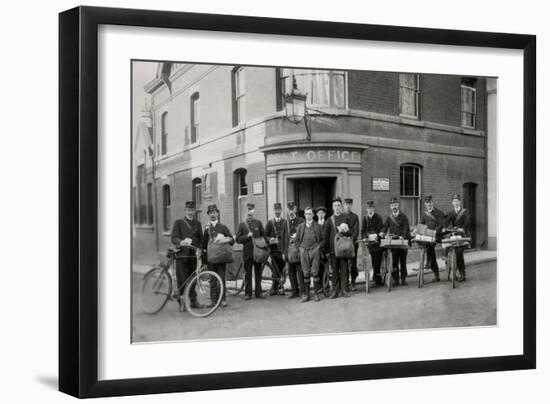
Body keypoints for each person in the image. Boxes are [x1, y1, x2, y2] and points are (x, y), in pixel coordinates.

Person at [170, 201, 203, 306]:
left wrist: (200, 249)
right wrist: (181, 242)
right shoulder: (178, 223)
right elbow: (174, 238)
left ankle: (193, 301)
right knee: (182, 279)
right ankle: (182, 302)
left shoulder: (198, 224)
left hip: (193, 256)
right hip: (182, 256)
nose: (190, 212)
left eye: (192, 210)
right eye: (188, 210)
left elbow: (201, 240)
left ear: (195, 212)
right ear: (185, 211)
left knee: (193, 279)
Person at [202, 204, 234, 307]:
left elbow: (232, 240)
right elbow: (203, 246)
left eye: (215, 212)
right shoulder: (207, 229)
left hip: (221, 258)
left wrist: (225, 239)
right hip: (211, 258)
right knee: (212, 279)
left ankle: (223, 299)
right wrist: (204, 262)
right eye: (211, 213)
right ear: (208, 215)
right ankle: (213, 300)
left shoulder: (223, 227)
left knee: (221, 278)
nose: (213, 215)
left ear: (218, 213)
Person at [235, 203, 269, 300]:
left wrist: (266, 246)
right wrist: (246, 236)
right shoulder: (242, 225)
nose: (249, 212)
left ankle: (259, 293)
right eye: (248, 210)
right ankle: (248, 293)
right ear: (245, 212)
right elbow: (237, 239)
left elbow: (264, 235)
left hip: (257, 252)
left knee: (258, 273)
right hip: (247, 253)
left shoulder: (258, 223)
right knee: (248, 273)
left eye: (251, 210)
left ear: (253, 212)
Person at [295, 207, 325, 302]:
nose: (308, 215)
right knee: (306, 273)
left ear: (313, 215)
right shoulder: (300, 227)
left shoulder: (318, 226)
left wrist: (318, 247)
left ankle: (316, 294)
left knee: (315, 272)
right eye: (306, 214)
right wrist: (300, 248)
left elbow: (323, 239)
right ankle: (306, 295)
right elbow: (296, 241)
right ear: (304, 215)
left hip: (314, 250)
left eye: (309, 214)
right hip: (304, 250)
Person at [325, 197, 353, 298]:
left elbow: (351, 232)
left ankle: (344, 290)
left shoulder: (346, 217)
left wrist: (346, 230)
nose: (337, 207)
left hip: (344, 249)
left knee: (345, 270)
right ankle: (335, 291)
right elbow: (326, 236)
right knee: (335, 271)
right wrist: (327, 251)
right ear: (332, 207)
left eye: (338, 206)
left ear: (341, 207)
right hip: (333, 250)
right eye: (335, 206)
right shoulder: (329, 220)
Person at [380, 197, 410, 286]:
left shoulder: (404, 216)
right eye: (392, 205)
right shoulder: (389, 218)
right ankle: (396, 279)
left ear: (398, 206)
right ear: (390, 207)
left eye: (395, 205)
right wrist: (382, 232)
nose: (394, 207)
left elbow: (406, 228)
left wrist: (403, 237)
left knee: (403, 261)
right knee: (394, 262)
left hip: (402, 242)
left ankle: (403, 279)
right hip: (393, 242)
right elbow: (385, 226)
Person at [418, 195, 446, 282]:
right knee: (426, 245)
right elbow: (421, 225)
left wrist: (434, 232)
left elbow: (440, 225)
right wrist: (418, 231)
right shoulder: (424, 214)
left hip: (437, 236)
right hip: (428, 237)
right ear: (425, 204)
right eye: (427, 203)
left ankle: (429, 264)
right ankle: (433, 269)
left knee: (429, 247)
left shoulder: (439, 213)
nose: (429, 205)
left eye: (430, 203)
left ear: (432, 203)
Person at [281, 201, 305, 299]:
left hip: (299, 251)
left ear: (295, 209)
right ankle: (294, 291)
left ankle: (302, 292)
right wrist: (283, 252)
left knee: (300, 272)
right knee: (291, 272)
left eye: (292, 209)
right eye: (289, 209)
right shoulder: (285, 223)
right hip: (289, 252)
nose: (291, 211)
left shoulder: (301, 221)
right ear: (287, 210)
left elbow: (304, 234)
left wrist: (297, 236)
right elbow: (282, 239)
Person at [445, 193, 471, 282]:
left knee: (459, 253)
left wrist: (461, 229)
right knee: (448, 249)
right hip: (453, 235)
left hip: (462, 236)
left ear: (460, 202)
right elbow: (447, 223)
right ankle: (452, 273)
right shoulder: (450, 213)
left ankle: (462, 273)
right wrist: (448, 228)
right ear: (452, 203)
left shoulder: (465, 212)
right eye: (454, 201)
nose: (456, 203)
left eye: (457, 201)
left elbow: (467, 224)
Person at [264, 202, 288, 295]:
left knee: (282, 268)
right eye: (276, 210)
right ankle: (275, 287)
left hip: (281, 249)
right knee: (275, 269)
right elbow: (265, 235)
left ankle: (281, 286)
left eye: (279, 210)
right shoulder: (270, 223)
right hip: (273, 250)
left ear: (281, 210)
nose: (277, 212)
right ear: (273, 211)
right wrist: (270, 239)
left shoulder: (285, 222)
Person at [361, 200, 384, 286]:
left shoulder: (378, 217)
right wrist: (364, 238)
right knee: (372, 260)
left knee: (377, 261)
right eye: (368, 208)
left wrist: (377, 235)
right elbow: (363, 230)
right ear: (366, 209)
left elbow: (381, 229)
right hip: (370, 243)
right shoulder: (365, 218)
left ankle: (377, 279)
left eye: (371, 208)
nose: (370, 210)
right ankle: (376, 278)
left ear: (373, 208)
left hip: (378, 243)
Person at [343, 198, 360, 291]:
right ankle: (345, 282)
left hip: (353, 243)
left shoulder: (355, 217)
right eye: (346, 204)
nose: (348, 206)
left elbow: (356, 230)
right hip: (343, 243)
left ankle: (353, 280)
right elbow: (340, 230)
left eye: (349, 204)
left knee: (353, 263)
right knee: (344, 263)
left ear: (351, 205)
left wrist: (352, 239)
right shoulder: (341, 216)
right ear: (344, 205)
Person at [315, 206, 329, 294]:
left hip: (325, 250)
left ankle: (326, 286)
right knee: (318, 268)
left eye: (322, 213)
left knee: (326, 268)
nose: (320, 215)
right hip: (316, 251)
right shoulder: (315, 224)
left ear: (324, 214)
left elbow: (328, 237)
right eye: (319, 213)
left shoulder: (327, 223)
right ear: (316, 215)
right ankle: (320, 286)